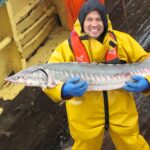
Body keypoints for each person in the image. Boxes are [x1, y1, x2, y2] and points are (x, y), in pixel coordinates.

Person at [43, 0, 150, 149]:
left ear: (105, 21)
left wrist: (147, 81)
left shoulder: (121, 40)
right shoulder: (66, 49)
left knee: (133, 144)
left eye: (99, 19)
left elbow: (147, 61)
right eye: (89, 19)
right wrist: (62, 90)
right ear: (81, 21)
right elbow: (48, 82)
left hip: (122, 111)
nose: (94, 24)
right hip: (85, 118)